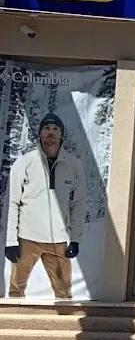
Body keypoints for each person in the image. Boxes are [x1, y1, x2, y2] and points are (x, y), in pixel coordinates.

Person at [5, 114, 87, 300]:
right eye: (47, 128)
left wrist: (75, 239)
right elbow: (13, 202)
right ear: (40, 133)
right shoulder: (24, 163)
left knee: (64, 293)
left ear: (61, 134)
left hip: (58, 241)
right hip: (27, 239)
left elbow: (78, 204)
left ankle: (64, 320)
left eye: (55, 129)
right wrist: (11, 241)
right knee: (16, 290)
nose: (51, 133)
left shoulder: (74, 165)